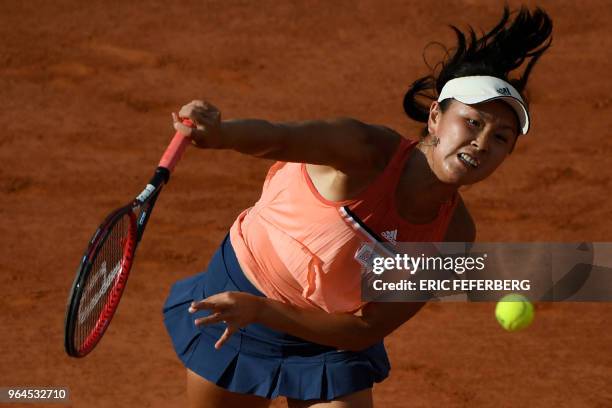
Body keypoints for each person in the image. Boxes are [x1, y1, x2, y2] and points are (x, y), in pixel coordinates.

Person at [163, 5, 552, 407]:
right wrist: (222, 133)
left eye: (502, 138)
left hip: (327, 336)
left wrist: (265, 312)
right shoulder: (364, 151)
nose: (482, 143)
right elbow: (278, 138)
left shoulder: (454, 234)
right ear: (435, 116)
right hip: (236, 298)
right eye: (472, 122)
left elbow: (366, 327)